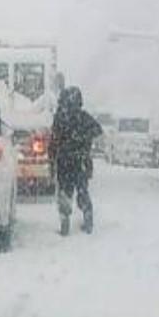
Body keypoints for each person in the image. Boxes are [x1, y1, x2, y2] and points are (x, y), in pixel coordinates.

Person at [49, 86, 102, 235]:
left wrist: (51, 159)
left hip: (64, 162)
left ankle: (65, 222)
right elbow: (98, 130)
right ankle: (87, 215)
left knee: (65, 193)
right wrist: (84, 140)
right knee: (82, 190)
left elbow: (53, 141)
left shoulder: (60, 117)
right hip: (81, 161)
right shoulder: (84, 117)